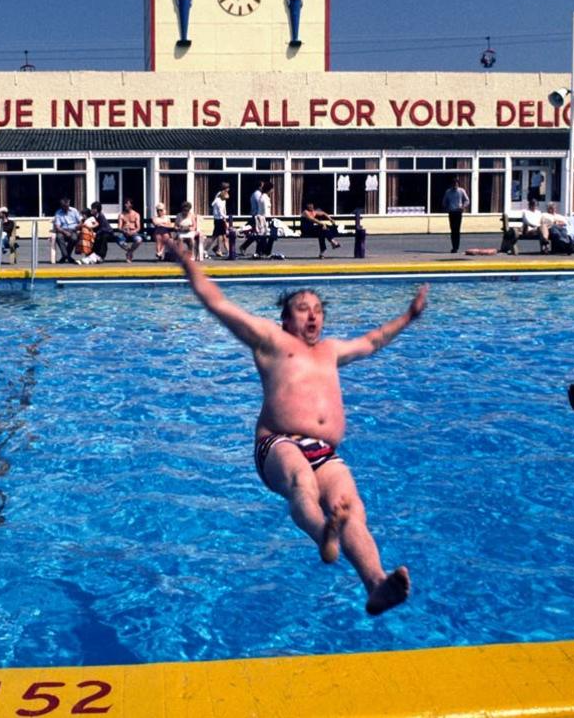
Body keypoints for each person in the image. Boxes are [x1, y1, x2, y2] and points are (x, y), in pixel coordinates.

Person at [164, 234, 425, 615]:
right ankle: (323, 535)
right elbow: (216, 302)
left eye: (318, 309)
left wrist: (409, 315)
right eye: (303, 308)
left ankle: (375, 583)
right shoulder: (269, 340)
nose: (313, 315)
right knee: (301, 481)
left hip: (324, 450)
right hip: (278, 442)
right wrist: (187, 262)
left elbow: (373, 340)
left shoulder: (331, 350)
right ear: (285, 319)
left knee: (349, 506)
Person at [442, 176, 470, 253]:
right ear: (452, 184)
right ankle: (454, 246)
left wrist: (463, 206)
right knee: (452, 229)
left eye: (456, 184)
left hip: (458, 212)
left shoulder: (461, 191)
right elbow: (444, 202)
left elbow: (467, 200)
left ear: (458, 184)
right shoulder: (448, 192)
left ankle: (456, 247)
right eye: (454, 184)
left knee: (457, 230)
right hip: (451, 212)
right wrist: (447, 208)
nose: (455, 185)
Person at [210, 183, 232, 259]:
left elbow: (223, 207)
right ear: (225, 188)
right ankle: (221, 250)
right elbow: (217, 206)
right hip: (219, 218)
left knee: (221, 236)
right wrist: (225, 217)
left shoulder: (223, 195)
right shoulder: (220, 195)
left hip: (221, 217)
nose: (229, 189)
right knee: (220, 236)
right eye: (228, 188)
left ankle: (218, 249)